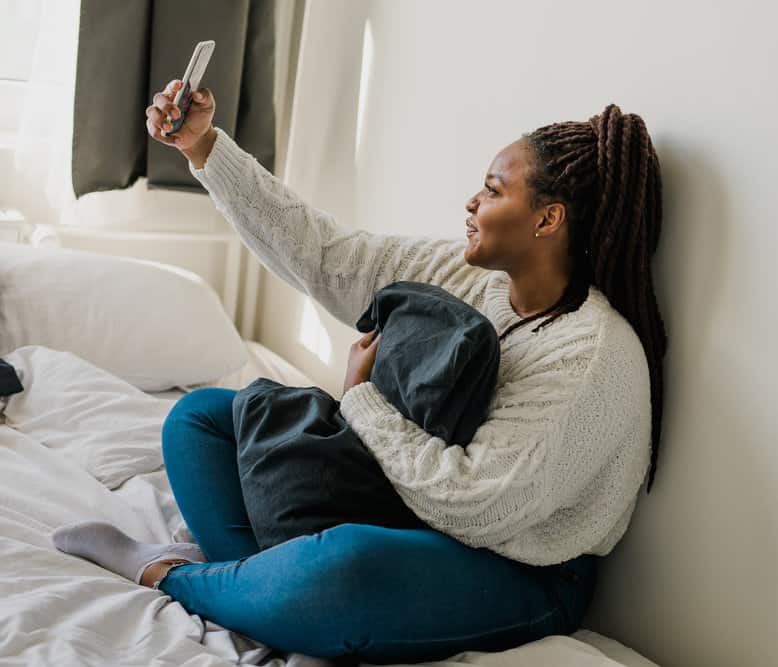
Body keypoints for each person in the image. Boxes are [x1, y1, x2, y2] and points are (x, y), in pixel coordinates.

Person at [51, 78, 668, 664]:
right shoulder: (468, 273)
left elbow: (473, 503)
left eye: (493, 190)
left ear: (547, 219)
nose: (472, 202)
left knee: (346, 565)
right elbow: (327, 256)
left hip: (516, 567)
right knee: (201, 418)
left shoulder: (591, 356)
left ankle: (175, 574)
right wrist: (204, 146)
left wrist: (360, 399)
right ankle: (282, 610)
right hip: (403, 502)